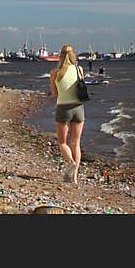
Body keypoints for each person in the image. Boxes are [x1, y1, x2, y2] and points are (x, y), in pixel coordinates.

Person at [49, 44, 85, 184]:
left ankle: (70, 163)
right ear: (73, 55)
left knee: (63, 142)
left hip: (63, 108)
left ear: (60, 55)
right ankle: (74, 178)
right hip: (78, 108)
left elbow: (54, 93)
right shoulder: (79, 69)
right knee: (76, 143)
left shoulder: (54, 72)